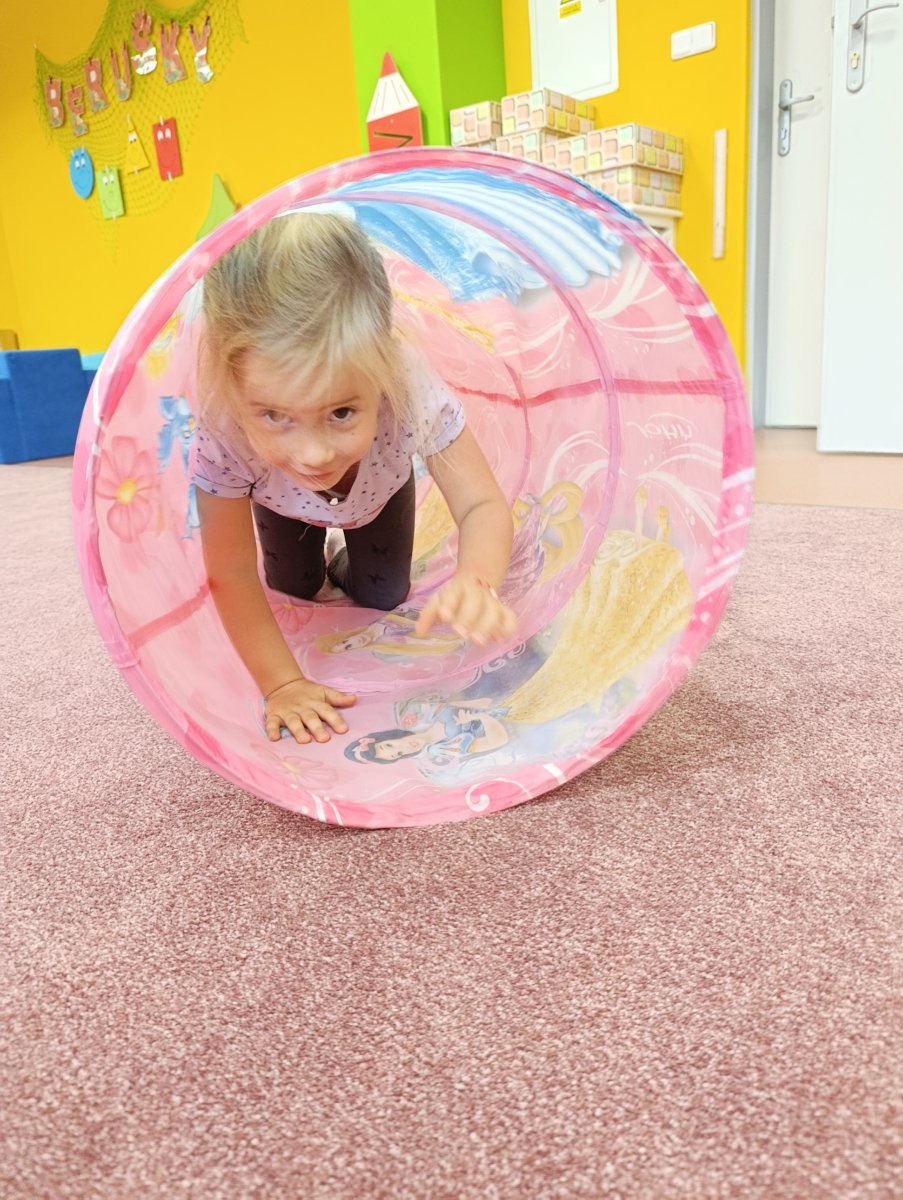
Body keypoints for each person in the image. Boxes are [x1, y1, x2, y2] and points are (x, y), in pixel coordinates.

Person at [193, 211, 517, 746]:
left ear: (383, 364)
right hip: (279, 501)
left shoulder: (408, 386)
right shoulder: (224, 423)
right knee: (291, 587)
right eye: (275, 415)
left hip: (379, 492)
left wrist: (477, 578)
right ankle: (316, 557)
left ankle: (345, 558)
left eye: (341, 412)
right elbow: (230, 572)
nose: (314, 455)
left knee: (383, 595)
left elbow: (481, 503)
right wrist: (283, 684)